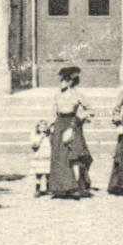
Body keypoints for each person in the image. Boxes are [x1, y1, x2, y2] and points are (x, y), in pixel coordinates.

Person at [47, 65, 94, 198]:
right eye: (61, 80)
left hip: (73, 124)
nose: (61, 83)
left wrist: (80, 118)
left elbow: (90, 109)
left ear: (70, 82)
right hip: (59, 124)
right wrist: (50, 126)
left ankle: (76, 186)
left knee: (75, 155)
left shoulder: (78, 95)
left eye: (64, 80)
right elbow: (53, 111)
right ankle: (60, 187)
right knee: (59, 156)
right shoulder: (57, 95)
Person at [29, 119, 53, 197]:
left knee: (48, 173)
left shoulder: (49, 136)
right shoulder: (35, 135)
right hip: (39, 156)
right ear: (38, 127)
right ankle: (37, 189)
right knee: (39, 174)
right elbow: (34, 145)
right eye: (42, 126)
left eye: (45, 126)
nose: (43, 128)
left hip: (47, 156)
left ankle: (48, 188)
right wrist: (40, 138)